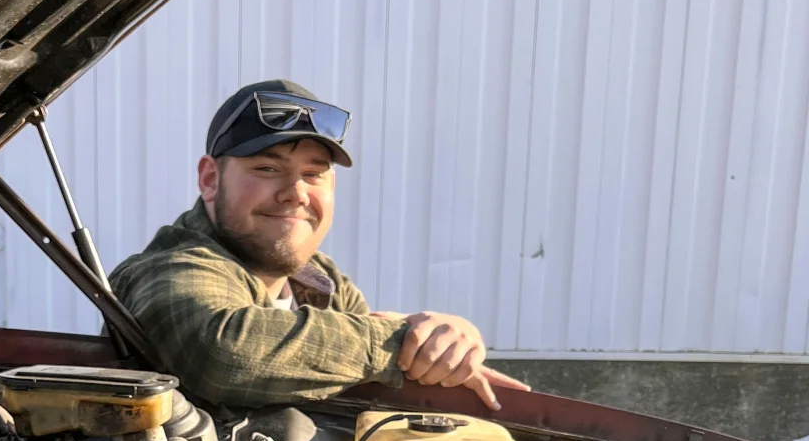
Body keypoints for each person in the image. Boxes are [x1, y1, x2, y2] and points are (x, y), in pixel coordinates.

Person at [109, 80, 528, 413]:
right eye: (268, 168)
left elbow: (369, 373)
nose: (295, 193)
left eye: (314, 174)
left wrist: (444, 340)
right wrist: (397, 342)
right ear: (210, 180)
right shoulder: (170, 267)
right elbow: (223, 352)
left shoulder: (319, 280)